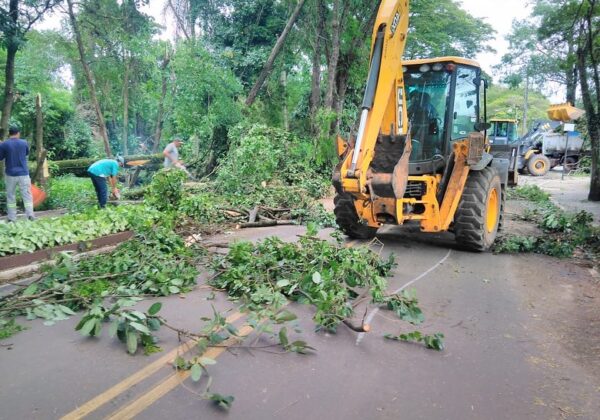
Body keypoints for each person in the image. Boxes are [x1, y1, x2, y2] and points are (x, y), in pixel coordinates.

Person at [0, 126, 35, 222]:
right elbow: (26, 153)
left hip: (10, 175)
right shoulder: (24, 143)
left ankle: (12, 218)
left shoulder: (5, 144)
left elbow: (0, 157)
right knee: (27, 195)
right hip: (23, 174)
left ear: (9, 133)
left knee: (11, 196)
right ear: (18, 133)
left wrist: (1, 146)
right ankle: (30, 215)